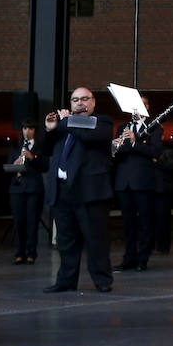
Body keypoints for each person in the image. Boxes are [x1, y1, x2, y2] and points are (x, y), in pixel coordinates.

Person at [41, 86, 115, 293]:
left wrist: (66, 122)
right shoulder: (64, 126)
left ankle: (102, 280)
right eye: (75, 100)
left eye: (84, 99)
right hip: (63, 191)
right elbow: (44, 150)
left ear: (93, 102)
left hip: (90, 192)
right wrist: (50, 129)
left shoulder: (102, 122)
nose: (80, 103)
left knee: (95, 240)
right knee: (66, 241)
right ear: (71, 104)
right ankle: (65, 281)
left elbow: (90, 137)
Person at [111, 99, 164, 272]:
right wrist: (117, 147)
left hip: (143, 181)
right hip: (123, 181)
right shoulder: (122, 128)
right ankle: (129, 258)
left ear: (147, 108)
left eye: (141, 105)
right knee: (128, 223)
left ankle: (143, 258)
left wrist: (134, 143)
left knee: (145, 222)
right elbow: (118, 152)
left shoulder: (154, 127)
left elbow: (155, 151)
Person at [7, 120, 44, 265]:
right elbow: (8, 169)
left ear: (34, 131)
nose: (26, 131)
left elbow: (45, 166)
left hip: (34, 189)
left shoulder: (40, 149)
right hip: (17, 188)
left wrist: (32, 158)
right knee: (19, 222)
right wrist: (15, 165)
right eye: (24, 128)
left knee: (32, 222)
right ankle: (20, 252)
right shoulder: (15, 149)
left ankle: (31, 253)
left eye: (30, 128)